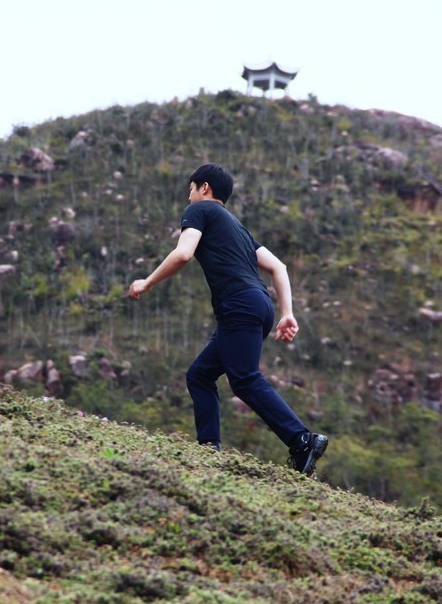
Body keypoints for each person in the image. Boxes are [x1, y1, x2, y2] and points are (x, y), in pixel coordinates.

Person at [129, 163, 328, 475]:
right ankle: (209, 449)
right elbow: (279, 268)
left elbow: (183, 253)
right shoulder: (237, 227)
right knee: (200, 375)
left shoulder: (200, 211)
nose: (189, 196)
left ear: (204, 188)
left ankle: (301, 439)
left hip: (240, 305)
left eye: (191, 189)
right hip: (258, 306)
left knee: (245, 378)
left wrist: (147, 282)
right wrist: (287, 313)